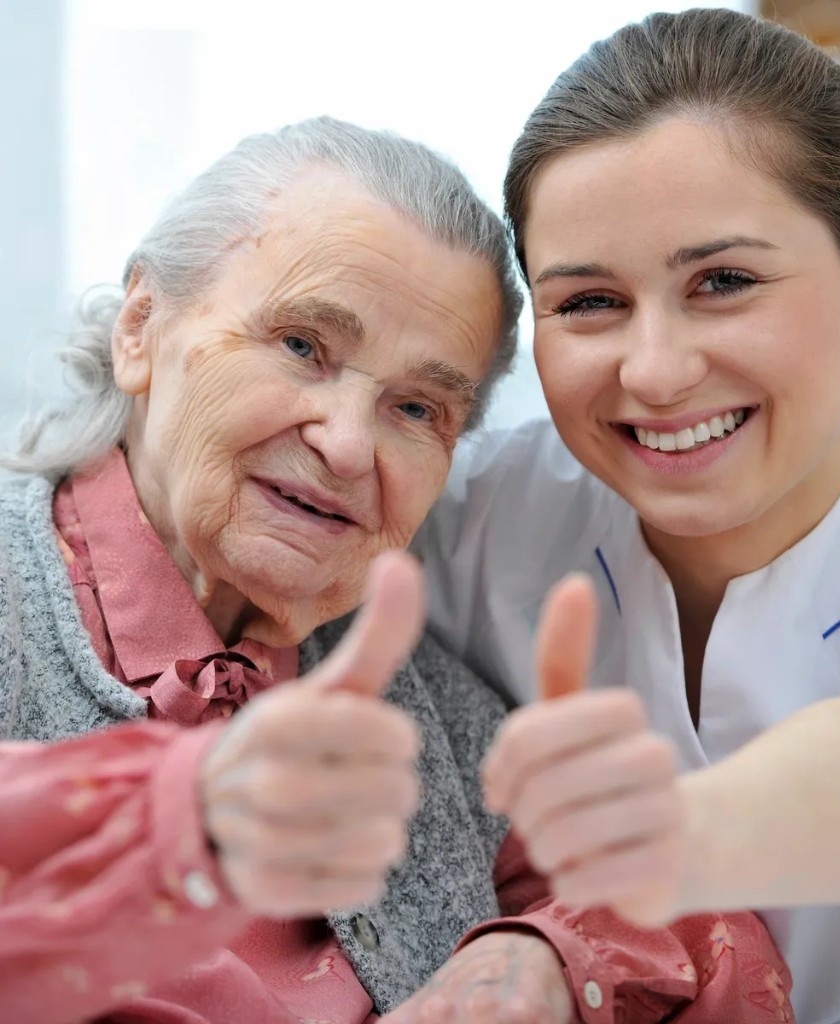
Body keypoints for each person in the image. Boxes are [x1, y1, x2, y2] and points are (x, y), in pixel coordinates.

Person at [0, 114, 790, 1024]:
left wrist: (533, 965)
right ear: (141, 326)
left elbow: (705, 925)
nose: (345, 444)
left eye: (416, 408)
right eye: (302, 345)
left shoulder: (423, 711)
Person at [415, 8, 840, 1024]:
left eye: (724, 282)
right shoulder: (476, 515)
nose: (654, 372)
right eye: (588, 302)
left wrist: (649, 850)